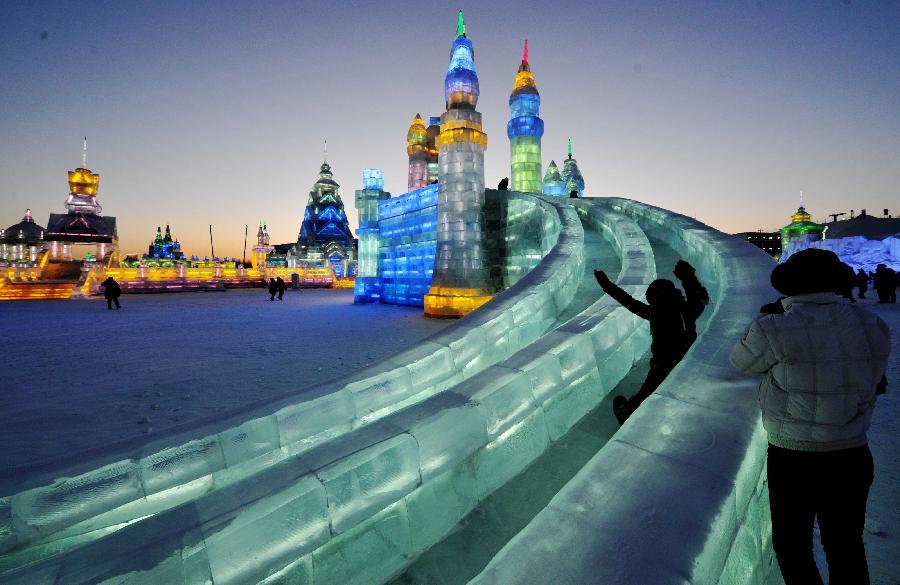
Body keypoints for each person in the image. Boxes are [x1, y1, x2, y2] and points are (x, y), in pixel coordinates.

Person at [730, 249, 890, 585]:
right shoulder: (871, 323)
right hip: (852, 452)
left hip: (794, 456)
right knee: (845, 545)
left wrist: (762, 323)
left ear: (791, 286)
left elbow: (742, 362)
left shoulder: (774, 327)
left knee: (792, 545)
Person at [594, 260, 709, 424]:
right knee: (649, 391)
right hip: (685, 360)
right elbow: (699, 300)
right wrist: (689, 278)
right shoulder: (685, 311)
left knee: (646, 392)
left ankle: (631, 415)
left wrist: (606, 285)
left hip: (663, 364)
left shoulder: (656, 313)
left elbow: (629, 302)